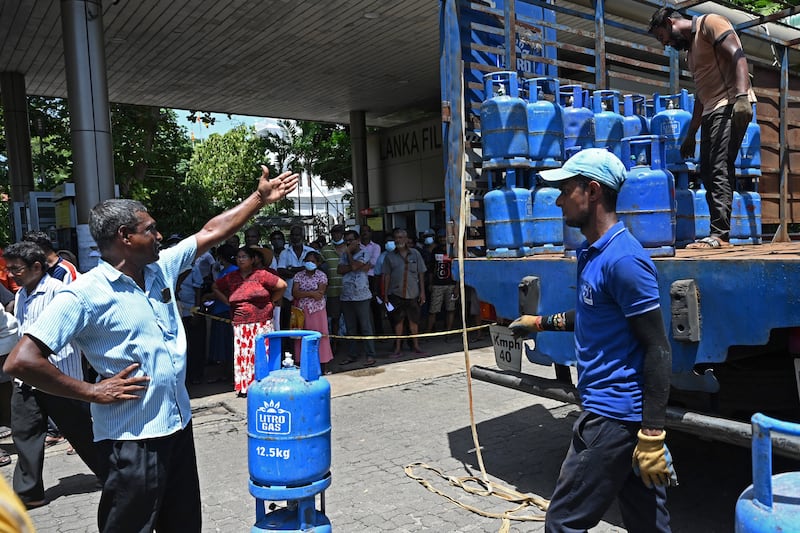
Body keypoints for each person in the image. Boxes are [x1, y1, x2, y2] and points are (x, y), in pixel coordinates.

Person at [4, 166, 298, 532]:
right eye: (150, 229)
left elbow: (210, 231)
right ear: (125, 236)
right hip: (132, 440)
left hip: (177, 426)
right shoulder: (83, 294)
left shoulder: (161, 269)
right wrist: (91, 391)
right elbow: (22, 361)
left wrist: (258, 199)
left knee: (184, 523)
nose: (159, 236)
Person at [508, 149, 676, 532]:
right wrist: (538, 322)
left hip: (612, 417)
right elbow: (591, 315)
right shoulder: (591, 253)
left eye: (566, 190)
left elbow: (657, 347)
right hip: (617, 416)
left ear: (593, 191)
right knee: (648, 524)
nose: (558, 199)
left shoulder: (624, 261)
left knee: (563, 522)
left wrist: (652, 433)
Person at [3, 241, 106, 510]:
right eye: (9, 268)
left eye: (17, 269)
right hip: (27, 380)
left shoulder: (61, 292)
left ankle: (112, 474)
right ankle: (29, 493)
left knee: (83, 433)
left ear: (36, 267)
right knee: (25, 434)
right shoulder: (23, 294)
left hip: (59, 378)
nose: (11, 274)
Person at [647, 7, 756, 249]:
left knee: (718, 166)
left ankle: (720, 236)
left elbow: (738, 56)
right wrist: (691, 133)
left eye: (661, 36)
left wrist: (741, 97)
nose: (664, 44)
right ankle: (718, 233)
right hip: (711, 111)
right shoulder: (690, 54)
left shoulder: (710, 23)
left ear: (670, 22)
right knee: (707, 170)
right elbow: (701, 95)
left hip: (730, 104)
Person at [213, 246, 287, 397]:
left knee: (260, 352)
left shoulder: (262, 275)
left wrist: (271, 301)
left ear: (253, 259)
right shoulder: (231, 277)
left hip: (261, 322)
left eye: (244, 256)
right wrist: (227, 301)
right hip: (240, 322)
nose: (241, 259)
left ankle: (262, 383)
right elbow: (215, 287)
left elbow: (282, 286)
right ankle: (245, 385)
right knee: (243, 353)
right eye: (239, 257)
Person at [382, 228, 427, 357]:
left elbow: (421, 273)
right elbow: (386, 276)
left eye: (401, 237)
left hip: (413, 293)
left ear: (407, 239)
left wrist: (422, 292)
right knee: (398, 322)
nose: (398, 240)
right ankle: (397, 348)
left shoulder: (415, 254)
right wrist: (385, 295)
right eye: (396, 237)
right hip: (396, 294)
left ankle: (416, 346)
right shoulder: (389, 256)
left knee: (414, 321)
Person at [338, 230, 377, 367]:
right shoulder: (344, 254)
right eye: (346, 240)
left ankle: (370, 354)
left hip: (362, 295)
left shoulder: (365, 252)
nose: (348, 243)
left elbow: (354, 267)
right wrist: (353, 265)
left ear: (357, 240)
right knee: (350, 328)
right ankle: (352, 354)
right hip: (346, 295)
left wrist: (348, 254)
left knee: (365, 326)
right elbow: (340, 270)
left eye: (350, 240)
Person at [291, 251, 333, 373]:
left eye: (313, 261)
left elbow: (319, 295)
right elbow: (295, 293)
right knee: (301, 336)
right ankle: (301, 363)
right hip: (301, 310)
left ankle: (323, 364)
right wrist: (311, 293)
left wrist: (304, 293)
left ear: (318, 263)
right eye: (308, 261)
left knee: (320, 335)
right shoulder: (298, 275)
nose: (310, 263)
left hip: (317, 310)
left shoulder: (322, 276)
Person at [277, 225, 315, 331]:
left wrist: (292, 269)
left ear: (302, 236)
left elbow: (315, 269)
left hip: (308, 295)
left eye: (297, 235)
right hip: (289, 295)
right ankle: (292, 347)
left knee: (308, 324)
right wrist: (303, 269)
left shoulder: (311, 251)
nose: (295, 237)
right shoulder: (285, 253)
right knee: (291, 323)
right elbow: (281, 271)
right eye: (293, 235)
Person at [426, 229, 457, 337]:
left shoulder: (454, 250)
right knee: (433, 310)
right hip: (437, 284)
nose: (443, 239)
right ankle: (428, 333)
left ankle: (449, 332)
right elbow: (431, 268)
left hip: (451, 284)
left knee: (451, 309)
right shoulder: (435, 250)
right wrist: (430, 283)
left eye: (444, 237)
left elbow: (458, 269)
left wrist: (457, 286)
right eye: (441, 237)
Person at [320, 225, 347, 349]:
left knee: (350, 319)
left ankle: (351, 344)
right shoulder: (325, 250)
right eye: (333, 233)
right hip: (332, 291)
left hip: (349, 290)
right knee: (334, 318)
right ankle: (335, 344)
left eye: (338, 232)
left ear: (343, 234)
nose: (336, 235)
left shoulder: (349, 248)